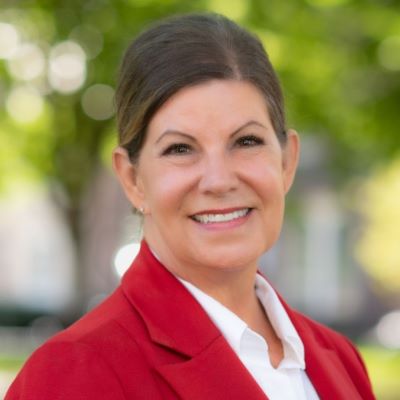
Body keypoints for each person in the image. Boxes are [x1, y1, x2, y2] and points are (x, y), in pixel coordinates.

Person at [6, 13, 375, 400]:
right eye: (180, 149)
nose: (219, 180)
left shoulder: (341, 359)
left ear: (286, 162)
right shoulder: (72, 374)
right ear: (132, 179)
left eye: (246, 141)